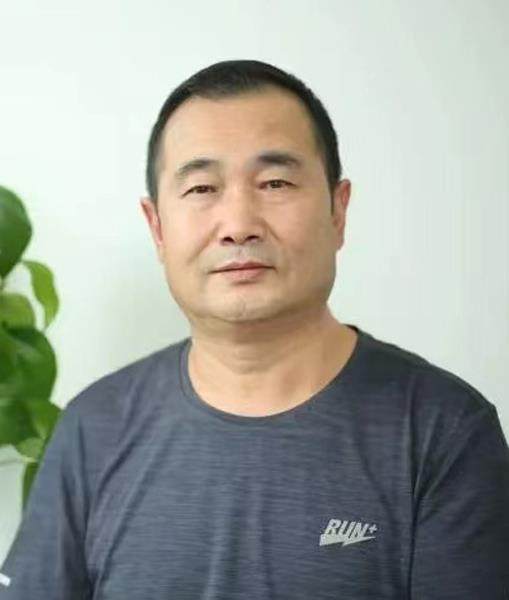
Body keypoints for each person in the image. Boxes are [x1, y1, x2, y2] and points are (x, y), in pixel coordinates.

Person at [1, 59, 508, 599]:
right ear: (157, 227)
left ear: (338, 212)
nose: (239, 225)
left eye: (275, 182)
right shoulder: (94, 427)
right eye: (202, 188)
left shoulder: (443, 431)